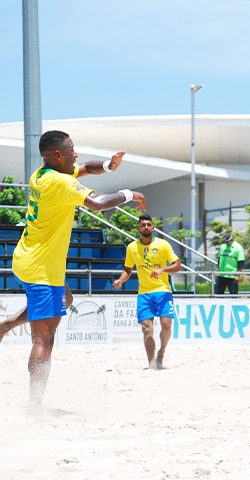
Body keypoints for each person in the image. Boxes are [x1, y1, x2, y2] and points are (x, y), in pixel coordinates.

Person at [0, 130, 146, 412]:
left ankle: (5, 326)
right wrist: (130, 193)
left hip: (32, 259)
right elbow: (99, 203)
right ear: (58, 155)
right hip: (40, 268)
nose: (75, 154)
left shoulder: (42, 174)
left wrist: (107, 166)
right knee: (45, 338)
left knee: (65, 302)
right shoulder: (59, 182)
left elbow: (85, 169)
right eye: (71, 149)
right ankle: (35, 407)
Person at [113, 214, 182, 370]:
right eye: (143, 225)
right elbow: (128, 270)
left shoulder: (163, 245)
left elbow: (178, 266)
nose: (146, 227)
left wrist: (162, 269)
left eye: (148, 225)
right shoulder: (132, 247)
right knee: (146, 328)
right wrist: (120, 280)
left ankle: (161, 352)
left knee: (166, 325)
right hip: (143, 293)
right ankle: (152, 363)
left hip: (163, 291)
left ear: (153, 228)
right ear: (139, 228)